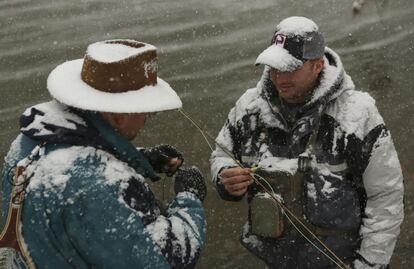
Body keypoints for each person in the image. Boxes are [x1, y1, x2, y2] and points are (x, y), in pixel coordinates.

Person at [210, 16, 404, 268]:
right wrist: (225, 177)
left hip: (343, 260)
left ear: (318, 65)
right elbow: (221, 154)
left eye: (291, 68)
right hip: (276, 259)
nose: (280, 78)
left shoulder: (357, 115)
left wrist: (370, 263)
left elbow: (386, 196)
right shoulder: (248, 108)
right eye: (275, 67)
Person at [1, 39, 207, 268]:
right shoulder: (99, 186)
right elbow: (167, 259)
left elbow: (76, 166)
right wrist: (189, 198)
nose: (147, 118)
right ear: (120, 113)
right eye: (147, 112)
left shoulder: (29, 141)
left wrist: (140, 159)